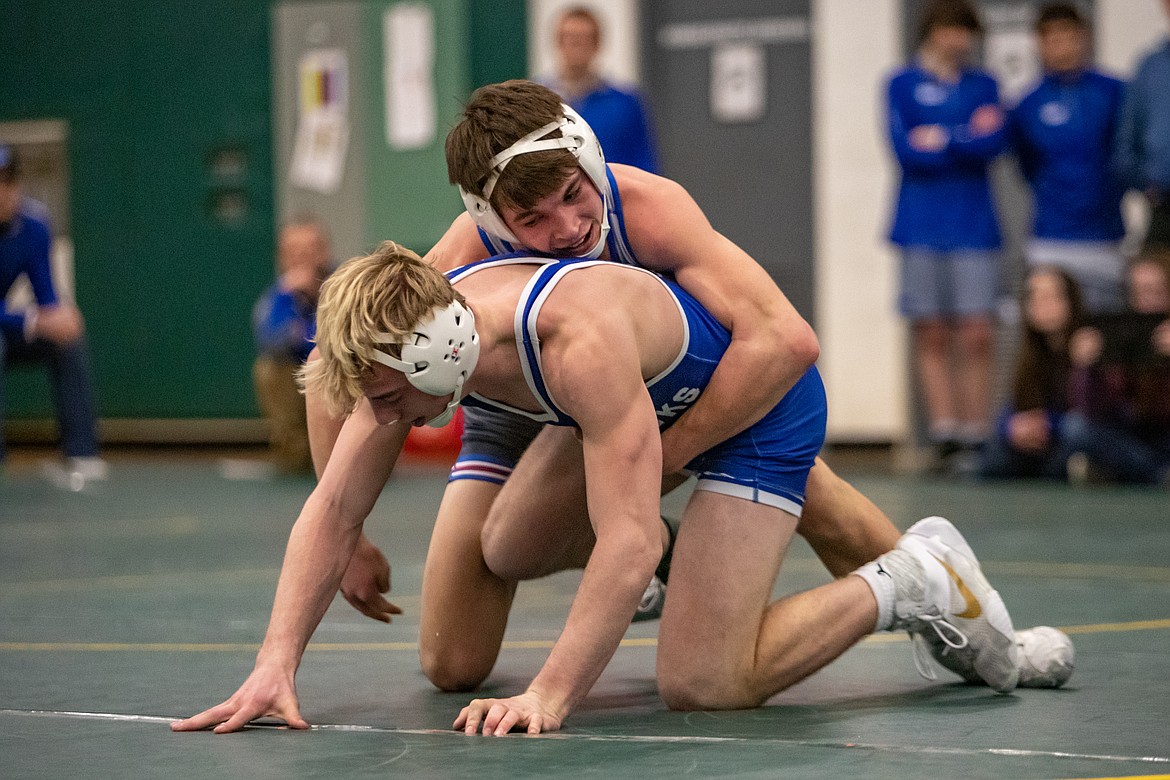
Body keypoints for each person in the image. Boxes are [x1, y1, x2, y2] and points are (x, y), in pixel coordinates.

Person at [310, 80, 1068, 696]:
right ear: (488, 215)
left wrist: (670, 452)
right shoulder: (461, 254)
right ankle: (666, 566)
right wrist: (348, 539)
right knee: (460, 642)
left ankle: (977, 631)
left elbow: (786, 340)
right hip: (537, 413)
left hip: (693, 397)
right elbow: (333, 369)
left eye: (576, 195)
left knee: (815, 496)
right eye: (533, 219)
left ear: (589, 157)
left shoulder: (646, 209)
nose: (571, 227)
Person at [172, 242, 1026, 736]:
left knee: (705, 684)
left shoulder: (572, 339)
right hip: (591, 413)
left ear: (437, 360)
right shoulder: (424, 331)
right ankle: (689, 584)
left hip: (738, 408)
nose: (378, 417)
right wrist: (273, 665)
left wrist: (548, 693)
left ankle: (911, 577)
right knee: (490, 579)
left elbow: (627, 537)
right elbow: (332, 506)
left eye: (388, 398)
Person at [885, 0, 1008, 470]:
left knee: (977, 330)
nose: (959, 40)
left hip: (974, 225)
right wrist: (964, 136)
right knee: (932, 330)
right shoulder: (901, 83)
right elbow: (906, 150)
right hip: (919, 225)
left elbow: (991, 145)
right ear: (932, 33)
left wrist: (942, 137)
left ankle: (977, 433)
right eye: (951, 30)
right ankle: (945, 432)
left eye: (966, 32)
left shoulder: (985, 85)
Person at [1008, 3, 1127, 313]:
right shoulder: (1028, 104)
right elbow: (1026, 165)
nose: (1061, 46)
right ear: (1040, 44)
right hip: (1051, 237)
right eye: (1052, 38)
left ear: (1083, 38)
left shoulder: (1114, 93)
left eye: (1067, 36)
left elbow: (1126, 154)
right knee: (1054, 336)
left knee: (1104, 333)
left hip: (1104, 237)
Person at [0, 144, 105, 485]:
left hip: (8, 326)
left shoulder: (33, 226)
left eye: (9, 180)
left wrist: (60, 317)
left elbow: (45, 295)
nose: (4, 191)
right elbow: (33, 318)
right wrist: (33, 320)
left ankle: (81, 451)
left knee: (67, 340)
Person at [1064, 250, 1170, 484]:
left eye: (1157, 291)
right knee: (1076, 429)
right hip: (1129, 436)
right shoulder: (1117, 330)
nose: (1148, 300)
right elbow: (1091, 408)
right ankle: (1155, 475)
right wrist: (1086, 368)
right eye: (1139, 291)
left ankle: (1125, 473)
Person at [979, 266, 1085, 479]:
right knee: (992, 454)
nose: (1041, 305)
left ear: (1070, 301)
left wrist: (1049, 424)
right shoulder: (1031, 352)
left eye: (1049, 296)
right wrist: (1013, 427)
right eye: (1033, 297)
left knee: (1077, 433)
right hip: (1039, 443)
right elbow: (1011, 406)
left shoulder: (1088, 344)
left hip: (1069, 437)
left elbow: (1095, 414)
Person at [252, 216, 331, 473]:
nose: (302, 259)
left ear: (323, 252)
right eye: (293, 252)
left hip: (336, 377)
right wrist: (289, 298)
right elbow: (270, 341)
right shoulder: (279, 294)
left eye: (308, 251)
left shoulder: (344, 284)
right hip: (297, 380)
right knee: (268, 369)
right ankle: (295, 454)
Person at [540, 6, 660, 173]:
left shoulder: (625, 103)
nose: (576, 46)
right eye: (570, 38)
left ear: (597, 44)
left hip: (612, 194)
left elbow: (645, 165)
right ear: (558, 42)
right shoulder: (538, 103)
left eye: (583, 39)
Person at [1115, 0, 1170, 251]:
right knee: (1152, 283)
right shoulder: (1152, 67)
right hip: (1164, 208)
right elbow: (1127, 143)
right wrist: (1148, 183)